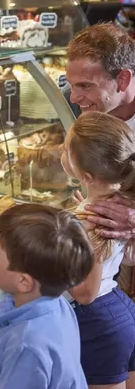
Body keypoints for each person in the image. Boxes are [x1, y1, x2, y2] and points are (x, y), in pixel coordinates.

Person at [0, 203, 93, 389]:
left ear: (23, 282)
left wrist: (14, 366)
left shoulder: (26, 345)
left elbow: (29, 361)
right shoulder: (58, 305)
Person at [60, 111, 135, 389]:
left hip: (97, 321)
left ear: (86, 176)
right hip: (120, 309)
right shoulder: (124, 203)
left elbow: (86, 293)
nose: (61, 151)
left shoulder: (83, 222)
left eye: (66, 150)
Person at [64, 23, 135, 240]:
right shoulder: (91, 108)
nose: (73, 98)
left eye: (85, 86)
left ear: (123, 79)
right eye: (71, 85)